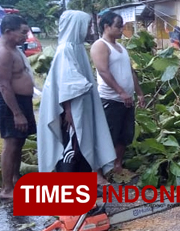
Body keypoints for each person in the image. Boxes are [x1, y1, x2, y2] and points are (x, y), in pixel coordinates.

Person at [38, 10, 115, 187]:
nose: (88, 29)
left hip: (82, 107)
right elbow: (67, 84)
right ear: (77, 26)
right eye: (87, 25)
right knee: (73, 148)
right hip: (74, 109)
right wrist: (69, 111)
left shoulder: (76, 47)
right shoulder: (66, 50)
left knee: (83, 145)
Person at [90, 11, 145, 174]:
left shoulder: (120, 47)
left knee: (125, 134)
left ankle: (117, 165)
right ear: (106, 27)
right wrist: (121, 92)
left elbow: (130, 71)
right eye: (118, 26)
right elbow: (103, 71)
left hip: (127, 99)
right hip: (111, 99)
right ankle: (101, 171)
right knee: (108, 135)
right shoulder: (100, 46)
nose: (122, 30)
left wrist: (139, 93)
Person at [0, 14, 36, 200]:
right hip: (11, 104)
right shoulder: (4, 52)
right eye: (23, 32)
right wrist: (17, 113)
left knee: (19, 142)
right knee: (11, 143)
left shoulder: (14, 49)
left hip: (23, 100)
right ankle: (7, 189)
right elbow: (4, 85)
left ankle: (15, 179)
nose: (26, 36)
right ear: (8, 32)